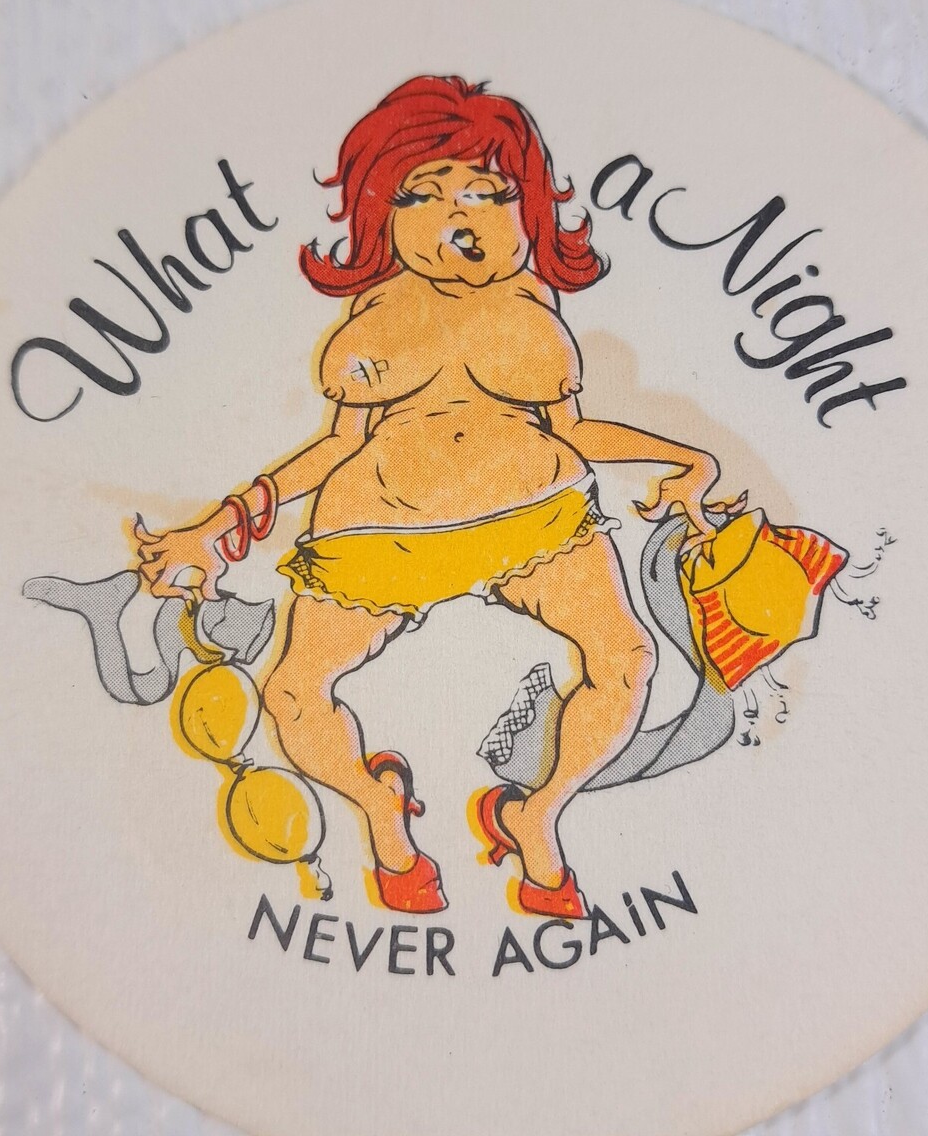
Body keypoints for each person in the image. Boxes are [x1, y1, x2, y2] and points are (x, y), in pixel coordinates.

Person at [133, 75, 721, 918]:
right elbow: (336, 446)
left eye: (488, 193)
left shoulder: (535, 302)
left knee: (627, 661)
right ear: (383, 212)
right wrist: (219, 525)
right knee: (290, 694)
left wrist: (686, 457)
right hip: (379, 536)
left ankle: (534, 816)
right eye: (423, 194)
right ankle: (381, 811)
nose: (460, 219)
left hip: (534, 517)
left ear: (528, 208)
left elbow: (574, 430)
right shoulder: (373, 314)